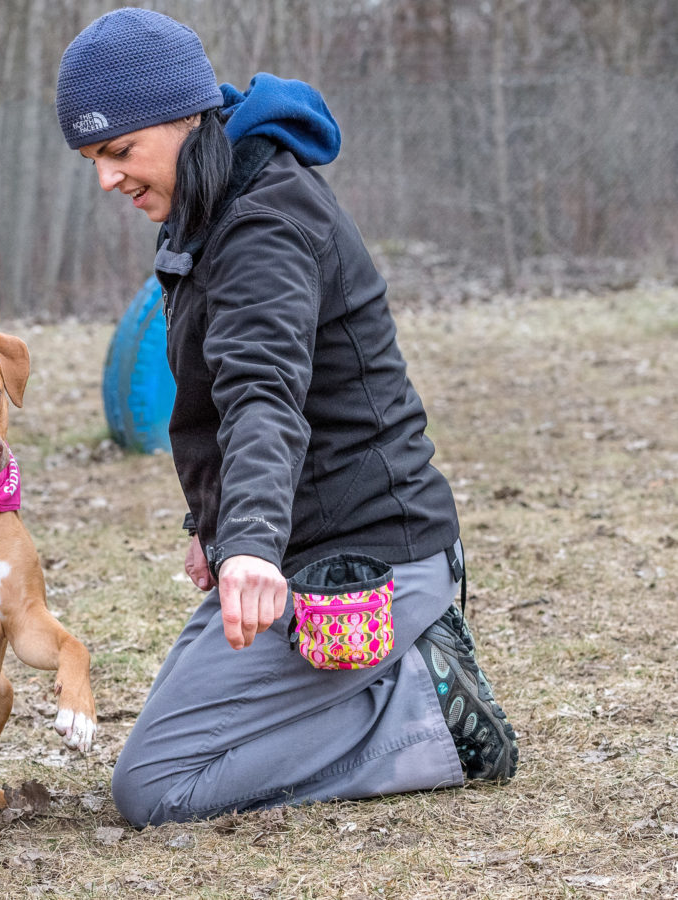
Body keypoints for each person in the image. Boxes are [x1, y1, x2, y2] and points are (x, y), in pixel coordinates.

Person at [55, 7, 518, 828]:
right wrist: (216, 526)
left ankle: (426, 711)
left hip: (368, 563)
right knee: (172, 747)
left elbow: (262, 396)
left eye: (120, 152)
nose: (106, 179)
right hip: (307, 548)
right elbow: (225, 388)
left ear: (185, 115)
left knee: (157, 785)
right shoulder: (214, 198)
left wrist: (249, 547)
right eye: (94, 158)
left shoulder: (262, 222)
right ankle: (394, 676)